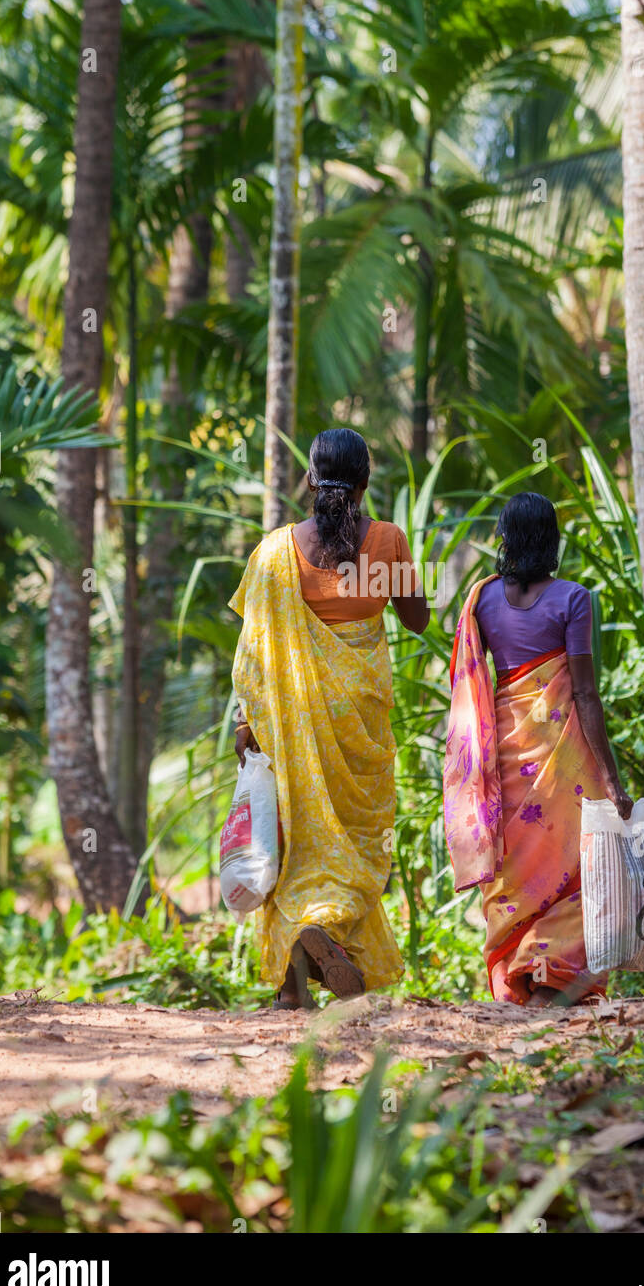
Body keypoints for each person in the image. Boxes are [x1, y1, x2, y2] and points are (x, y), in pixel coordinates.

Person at [229, 428, 430, 1009]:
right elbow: (417, 619)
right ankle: (329, 928)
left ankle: (293, 987)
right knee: (357, 841)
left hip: (292, 729)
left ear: (311, 479)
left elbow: (252, 654)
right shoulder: (387, 541)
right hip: (359, 725)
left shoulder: (273, 553)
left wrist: (246, 725)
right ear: (365, 482)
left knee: (297, 842)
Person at [443, 491, 632, 1008]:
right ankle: (551, 970)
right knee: (574, 867)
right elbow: (586, 694)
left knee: (516, 875)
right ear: (552, 540)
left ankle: (521, 971)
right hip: (563, 757)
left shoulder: (481, 602)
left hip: (501, 760)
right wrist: (613, 779)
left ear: (504, 538)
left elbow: (471, 680)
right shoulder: (574, 599)